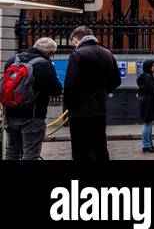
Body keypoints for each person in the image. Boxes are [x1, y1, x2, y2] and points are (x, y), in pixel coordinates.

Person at [62, 25, 121, 162]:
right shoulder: (107, 53)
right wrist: (102, 91)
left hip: (79, 111)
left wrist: (68, 107)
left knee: (81, 149)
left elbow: (70, 84)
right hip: (100, 109)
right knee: (100, 146)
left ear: (76, 39)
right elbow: (116, 81)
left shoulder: (78, 54)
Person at [2, 36, 62, 161]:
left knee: (11, 150)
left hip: (11, 113)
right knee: (30, 153)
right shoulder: (44, 64)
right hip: (33, 115)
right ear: (49, 52)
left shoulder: (13, 59)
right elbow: (56, 90)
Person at [136, 60, 154, 154]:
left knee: (149, 124)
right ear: (149, 67)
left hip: (148, 102)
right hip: (147, 103)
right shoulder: (146, 77)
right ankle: (147, 145)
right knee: (147, 123)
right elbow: (152, 88)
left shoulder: (147, 76)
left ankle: (149, 144)